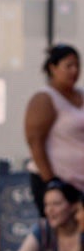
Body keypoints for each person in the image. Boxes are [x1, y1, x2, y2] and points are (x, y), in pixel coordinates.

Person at [26, 44, 84, 196]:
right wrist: (51, 181)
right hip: (59, 181)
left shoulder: (81, 95)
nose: (74, 71)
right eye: (69, 66)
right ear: (53, 68)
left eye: (77, 66)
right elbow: (35, 142)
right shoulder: (45, 99)